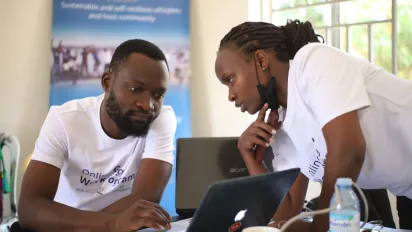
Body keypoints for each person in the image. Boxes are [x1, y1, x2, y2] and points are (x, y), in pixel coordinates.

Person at [214, 19, 412, 231]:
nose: (230, 95)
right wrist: (248, 155)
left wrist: (319, 227)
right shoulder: (281, 123)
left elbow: (348, 150)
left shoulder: (312, 61)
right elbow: (287, 210)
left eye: (230, 79)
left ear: (261, 60)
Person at [18, 39, 177, 232]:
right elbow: (29, 209)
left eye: (158, 94)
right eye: (136, 89)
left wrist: (96, 225)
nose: (148, 105)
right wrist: (112, 224)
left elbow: (144, 200)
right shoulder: (64, 119)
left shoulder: (161, 119)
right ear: (107, 82)